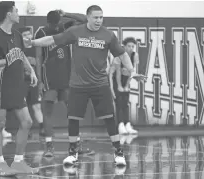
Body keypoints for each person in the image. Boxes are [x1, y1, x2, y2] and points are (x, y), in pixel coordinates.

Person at [27, 5, 146, 165]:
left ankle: (118, 153)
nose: (99, 20)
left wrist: (132, 72)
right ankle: (72, 153)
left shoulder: (108, 35)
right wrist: (33, 42)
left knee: (110, 119)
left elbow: (122, 54)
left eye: (101, 17)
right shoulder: (75, 32)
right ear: (88, 17)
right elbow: (52, 40)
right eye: (95, 17)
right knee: (73, 119)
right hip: (78, 86)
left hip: (100, 85)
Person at [0, 1, 38, 176]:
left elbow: (20, 54)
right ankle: (0, 165)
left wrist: (31, 70)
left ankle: (18, 161)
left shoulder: (17, 34)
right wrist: (4, 61)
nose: (18, 13)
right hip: (0, 84)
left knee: (27, 122)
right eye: (16, 11)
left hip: (16, 84)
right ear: (8, 14)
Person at [34, 10, 93, 157]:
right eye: (56, 23)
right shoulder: (41, 32)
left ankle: (75, 144)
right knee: (48, 112)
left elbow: (86, 20)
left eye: (59, 22)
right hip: (50, 77)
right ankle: (49, 146)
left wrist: (67, 13)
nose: (58, 25)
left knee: (73, 112)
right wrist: (40, 81)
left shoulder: (64, 28)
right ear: (50, 23)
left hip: (66, 76)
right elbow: (38, 58)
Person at [19, 27, 45, 137]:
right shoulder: (19, 49)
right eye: (24, 35)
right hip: (21, 82)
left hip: (34, 82)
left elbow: (41, 65)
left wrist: (41, 81)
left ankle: (43, 127)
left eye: (29, 34)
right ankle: (25, 129)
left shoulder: (36, 49)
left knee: (36, 106)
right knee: (23, 107)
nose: (28, 36)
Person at [110, 37, 139, 134]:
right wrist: (119, 86)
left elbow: (132, 71)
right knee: (119, 103)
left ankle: (127, 124)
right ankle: (120, 125)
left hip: (126, 80)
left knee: (125, 104)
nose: (131, 48)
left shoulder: (135, 55)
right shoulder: (119, 56)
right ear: (124, 47)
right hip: (116, 80)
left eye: (133, 46)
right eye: (129, 46)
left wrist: (126, 86)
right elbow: (117, 72)